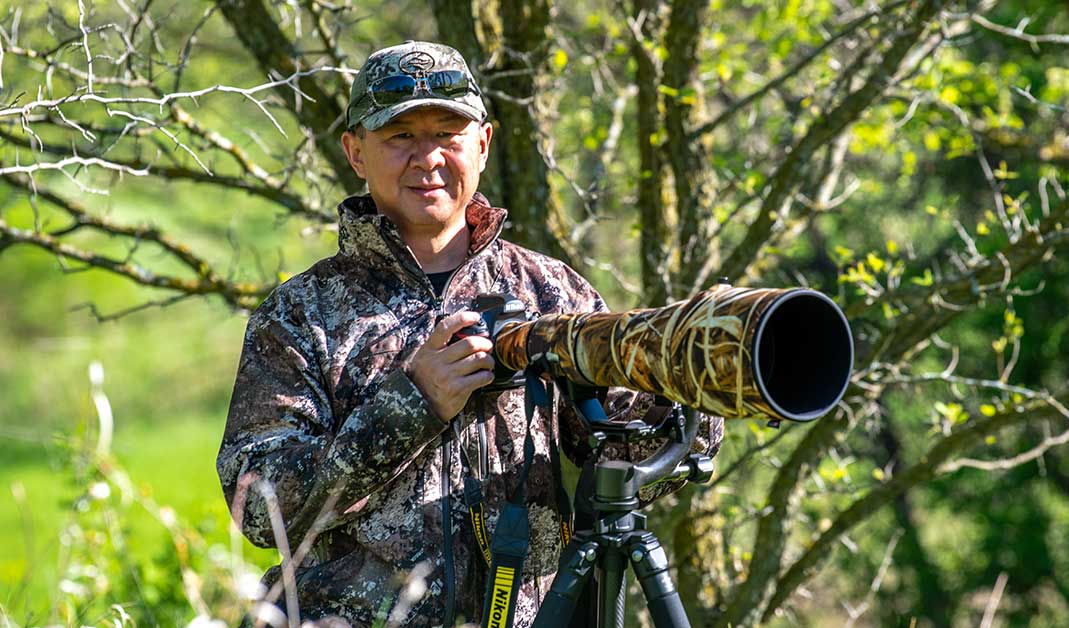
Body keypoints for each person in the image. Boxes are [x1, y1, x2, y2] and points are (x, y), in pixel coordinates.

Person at [217, 41, 722, 628]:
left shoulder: (551, 291)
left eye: (447, 135)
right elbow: (259, 508)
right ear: (355, 152)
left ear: (482, 144)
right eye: (400, 136)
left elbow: (622, 465)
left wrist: (689, 381)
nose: (427, 157)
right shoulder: (301, 314)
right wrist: (413, 405)